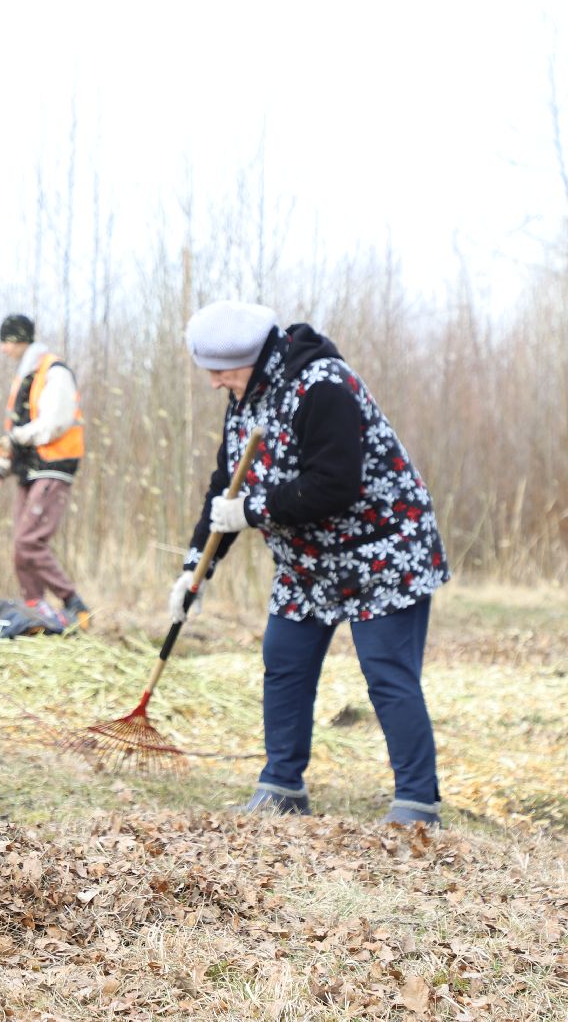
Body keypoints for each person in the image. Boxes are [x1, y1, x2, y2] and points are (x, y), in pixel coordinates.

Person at [172, 298, 449, 825]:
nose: (213, 383)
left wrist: (251, 512)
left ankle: (417, 802)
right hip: (310, 561)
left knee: (387, 673)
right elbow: (224, 487)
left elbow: (335, 484)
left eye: (219, 370)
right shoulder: (245, 398)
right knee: (285, 661)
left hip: (382, 549)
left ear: (252, 356)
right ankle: (281, 788)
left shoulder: (322, 384)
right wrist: (195, 569)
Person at [0, 314, 91, 630]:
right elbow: (14, 430)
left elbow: (54, 423)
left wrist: (16, 437)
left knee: (29, 541)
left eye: (5, 342)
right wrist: (1, 469)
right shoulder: (24, 377)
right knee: (20, 545)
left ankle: (75, 604)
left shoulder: (54, 372)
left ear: (17, 340)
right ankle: (35, 612)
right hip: (29, 470)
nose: (2, 349)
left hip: (53, 467)